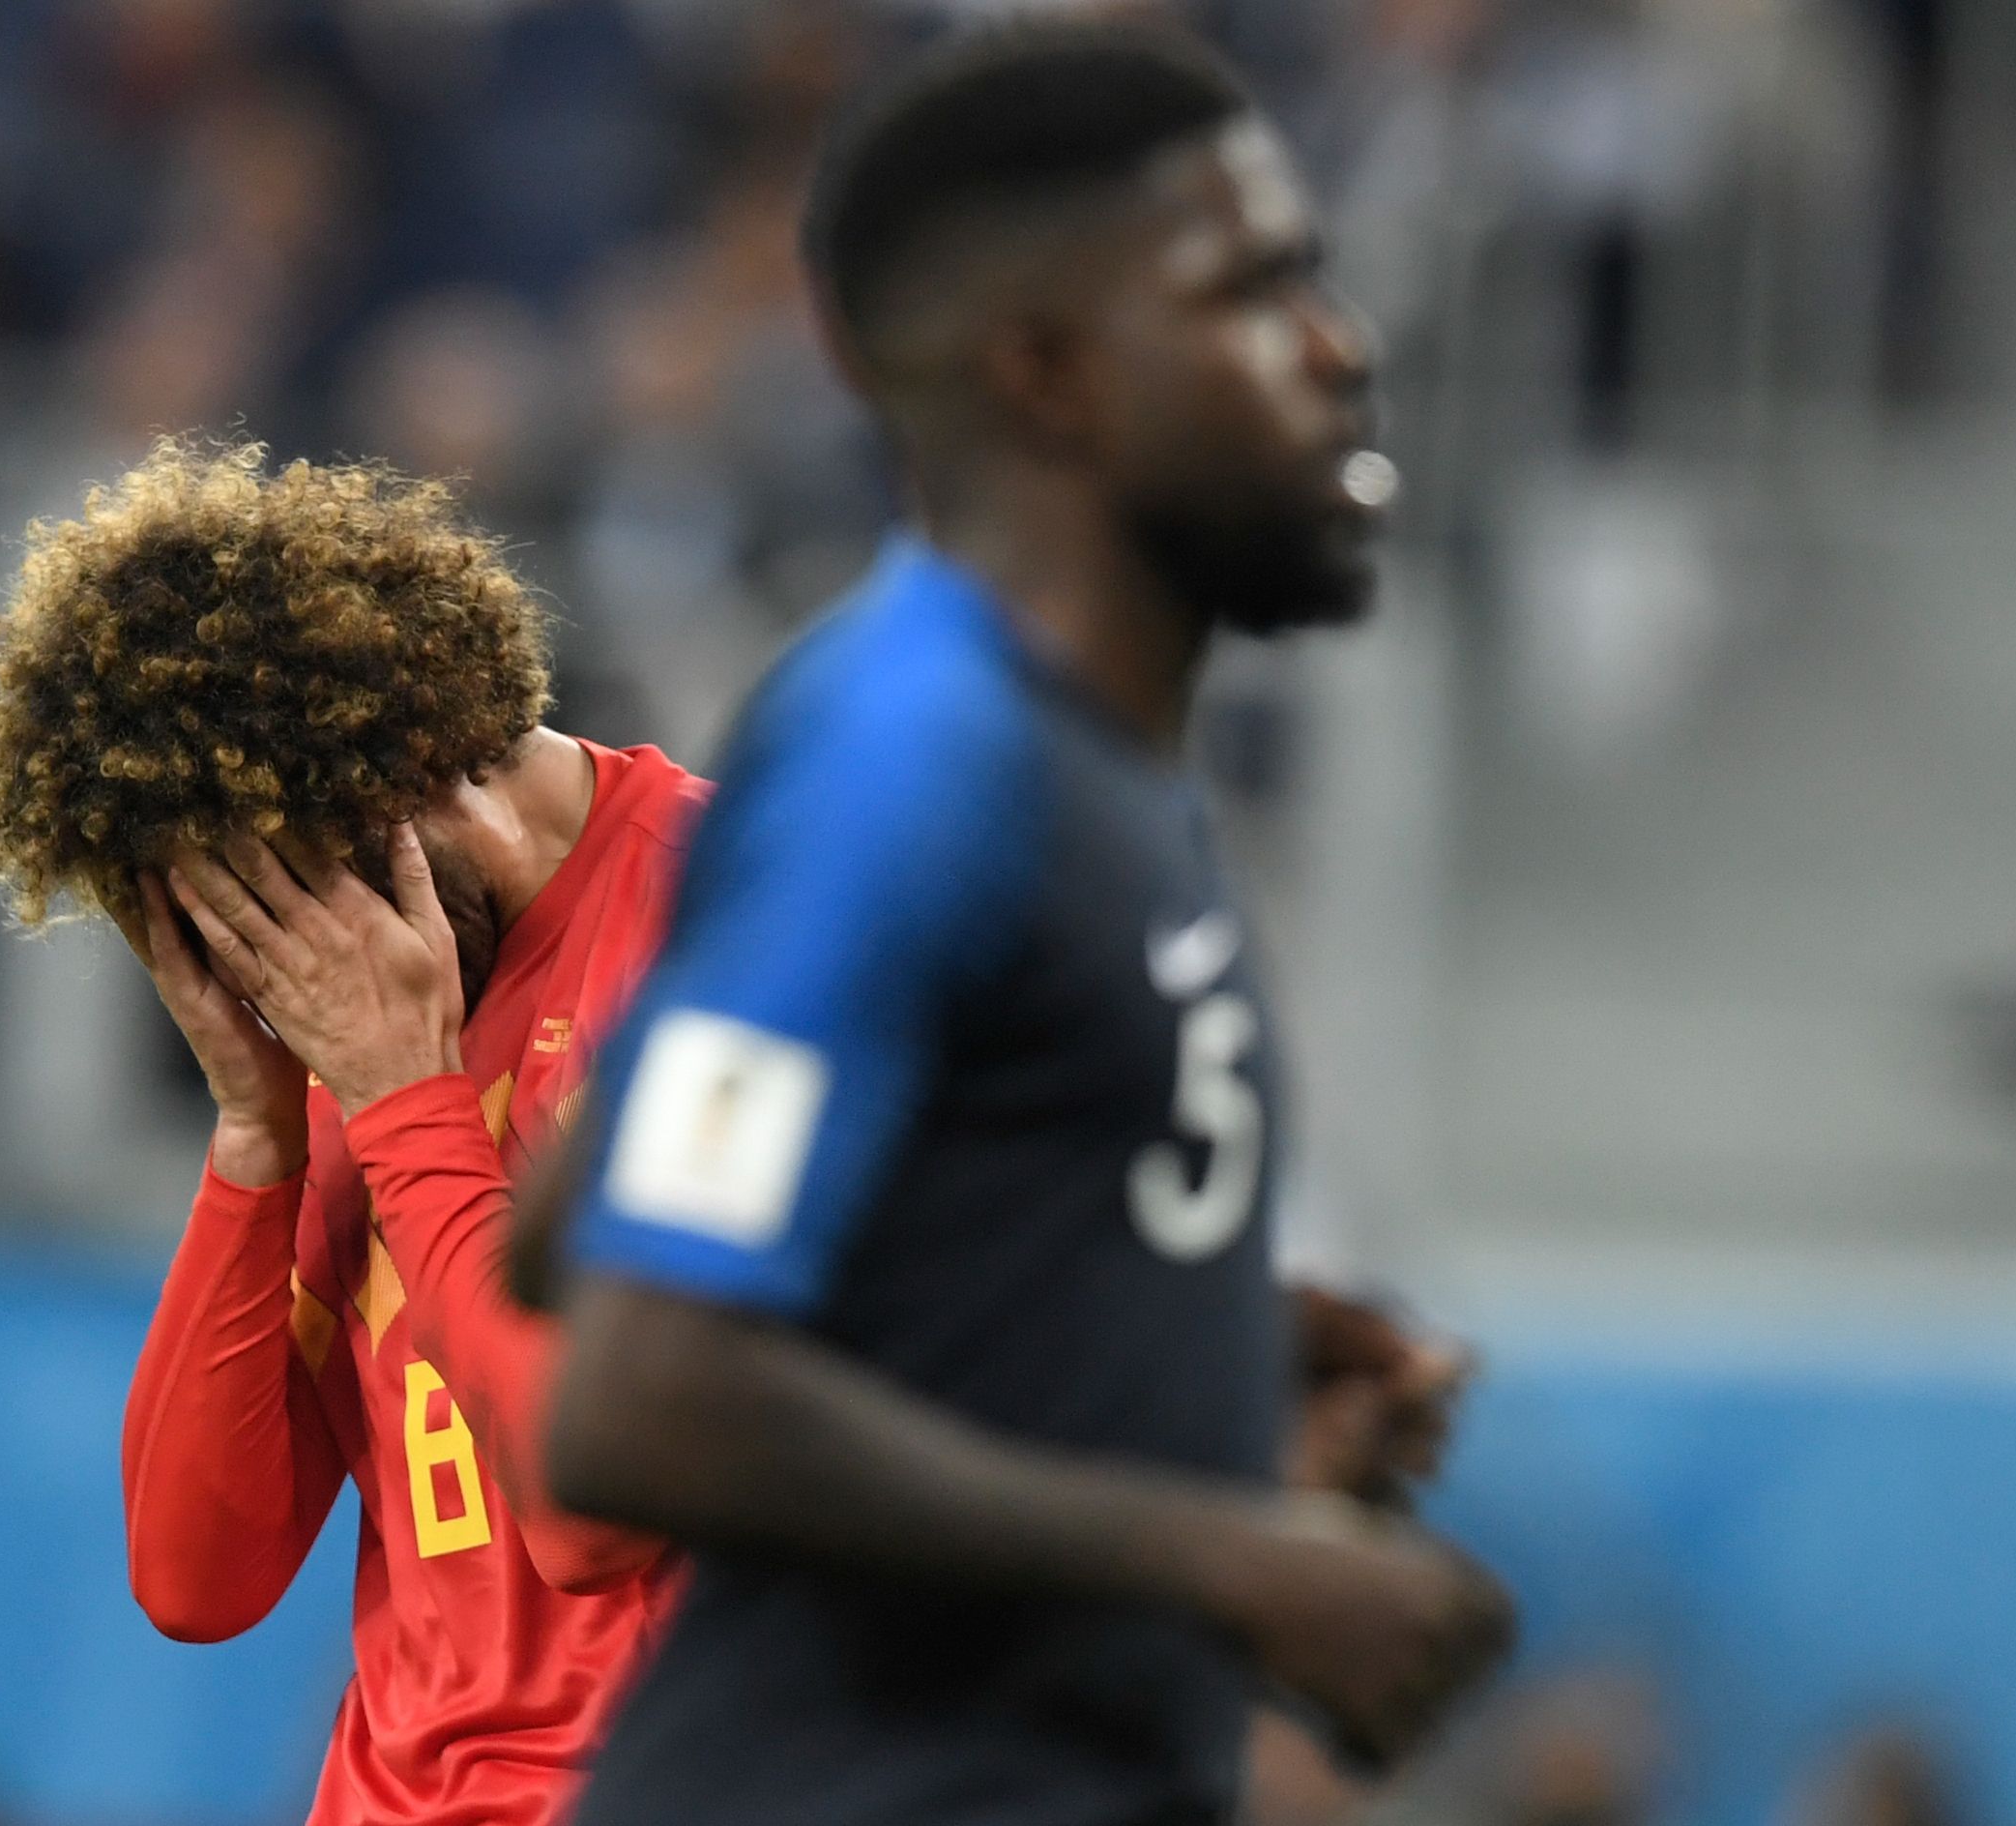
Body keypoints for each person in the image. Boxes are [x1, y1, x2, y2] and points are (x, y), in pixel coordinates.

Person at [518, 19, 1514, 1826]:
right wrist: (1228, 1554)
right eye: (1253, 291)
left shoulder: (1088, 772)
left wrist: (1175, 1357)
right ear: (1052, 373)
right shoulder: (916, 748)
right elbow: (641, 1391)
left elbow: (570, 1218)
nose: (1339, 348)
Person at [0, 439, 704, 1826]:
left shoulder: (721, 935)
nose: (270, 972)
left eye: (275, 904)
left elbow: (595, 1511)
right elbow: (196, 1578)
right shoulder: (349, 1046)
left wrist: (405, 1103)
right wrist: (254, 1142)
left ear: (398, 778)